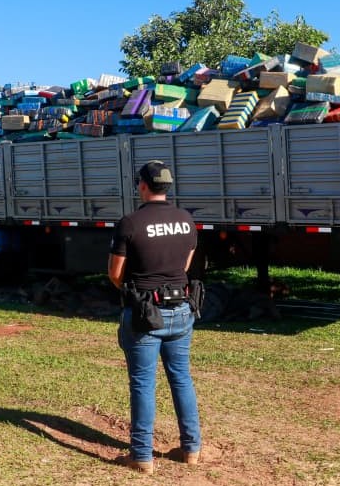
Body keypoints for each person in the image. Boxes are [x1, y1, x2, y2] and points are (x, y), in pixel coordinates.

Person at [108, 160, 201, 474]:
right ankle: (191, 449)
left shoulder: (129, 223)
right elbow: (185, 266)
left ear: (143, 186)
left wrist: (138, 292)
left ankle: (142, 456)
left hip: (145, 314)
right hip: (182, 309)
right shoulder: (186, 220)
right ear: (167, 186)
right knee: (182, 379)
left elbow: (115, 273)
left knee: (143, 385)